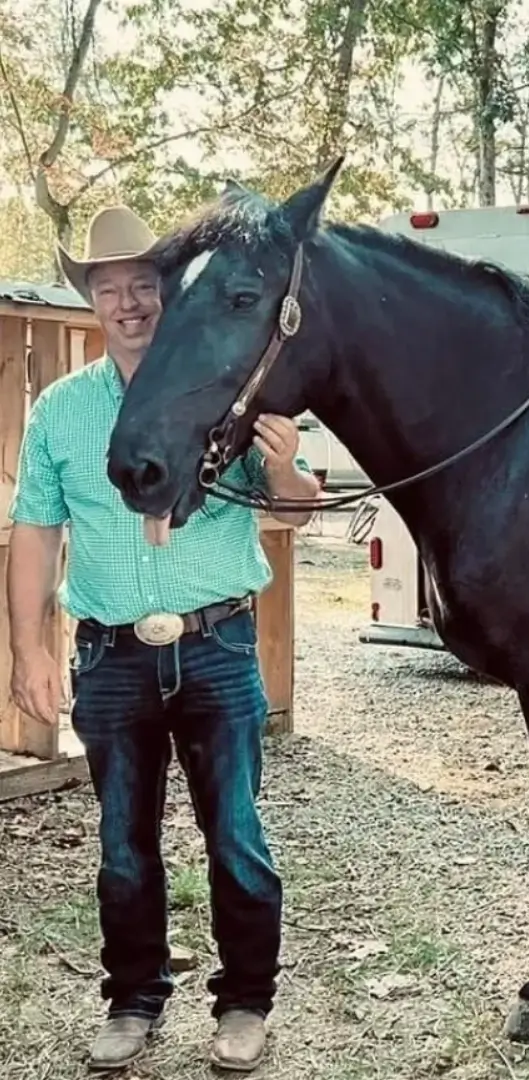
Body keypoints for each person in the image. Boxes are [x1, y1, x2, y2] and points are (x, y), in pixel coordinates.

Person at [6, 205, 320, 1072]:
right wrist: (28, 650)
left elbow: (292, 510)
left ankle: (247, 1003)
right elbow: (35, 528)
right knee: (122, 844)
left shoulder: (228, 390)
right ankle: (133, 1001)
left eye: (144, 285)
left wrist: (288, 464)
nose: (129, 303)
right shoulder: (63, 412)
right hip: (110, 655)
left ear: (167, 294)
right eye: (111, 289)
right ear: (93, 301)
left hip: (216, 647)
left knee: (237, 836)